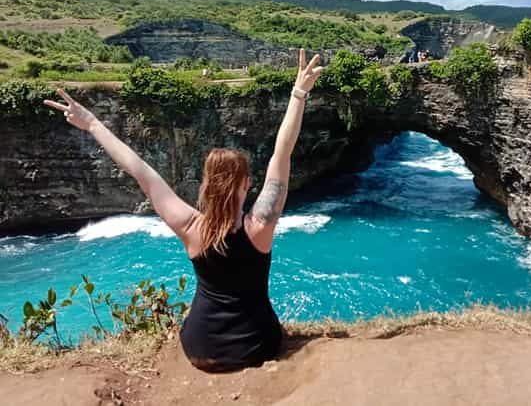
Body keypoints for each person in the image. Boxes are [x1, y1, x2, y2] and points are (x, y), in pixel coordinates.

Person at [43, 48, 324, 372]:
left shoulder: (191, 229)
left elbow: (140, 171)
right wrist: (299, 93)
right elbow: (281, 153)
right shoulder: (259, 227)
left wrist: (91, 123)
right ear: (247, 184)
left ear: (206, 185)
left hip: (200, 346)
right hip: (254, 346)